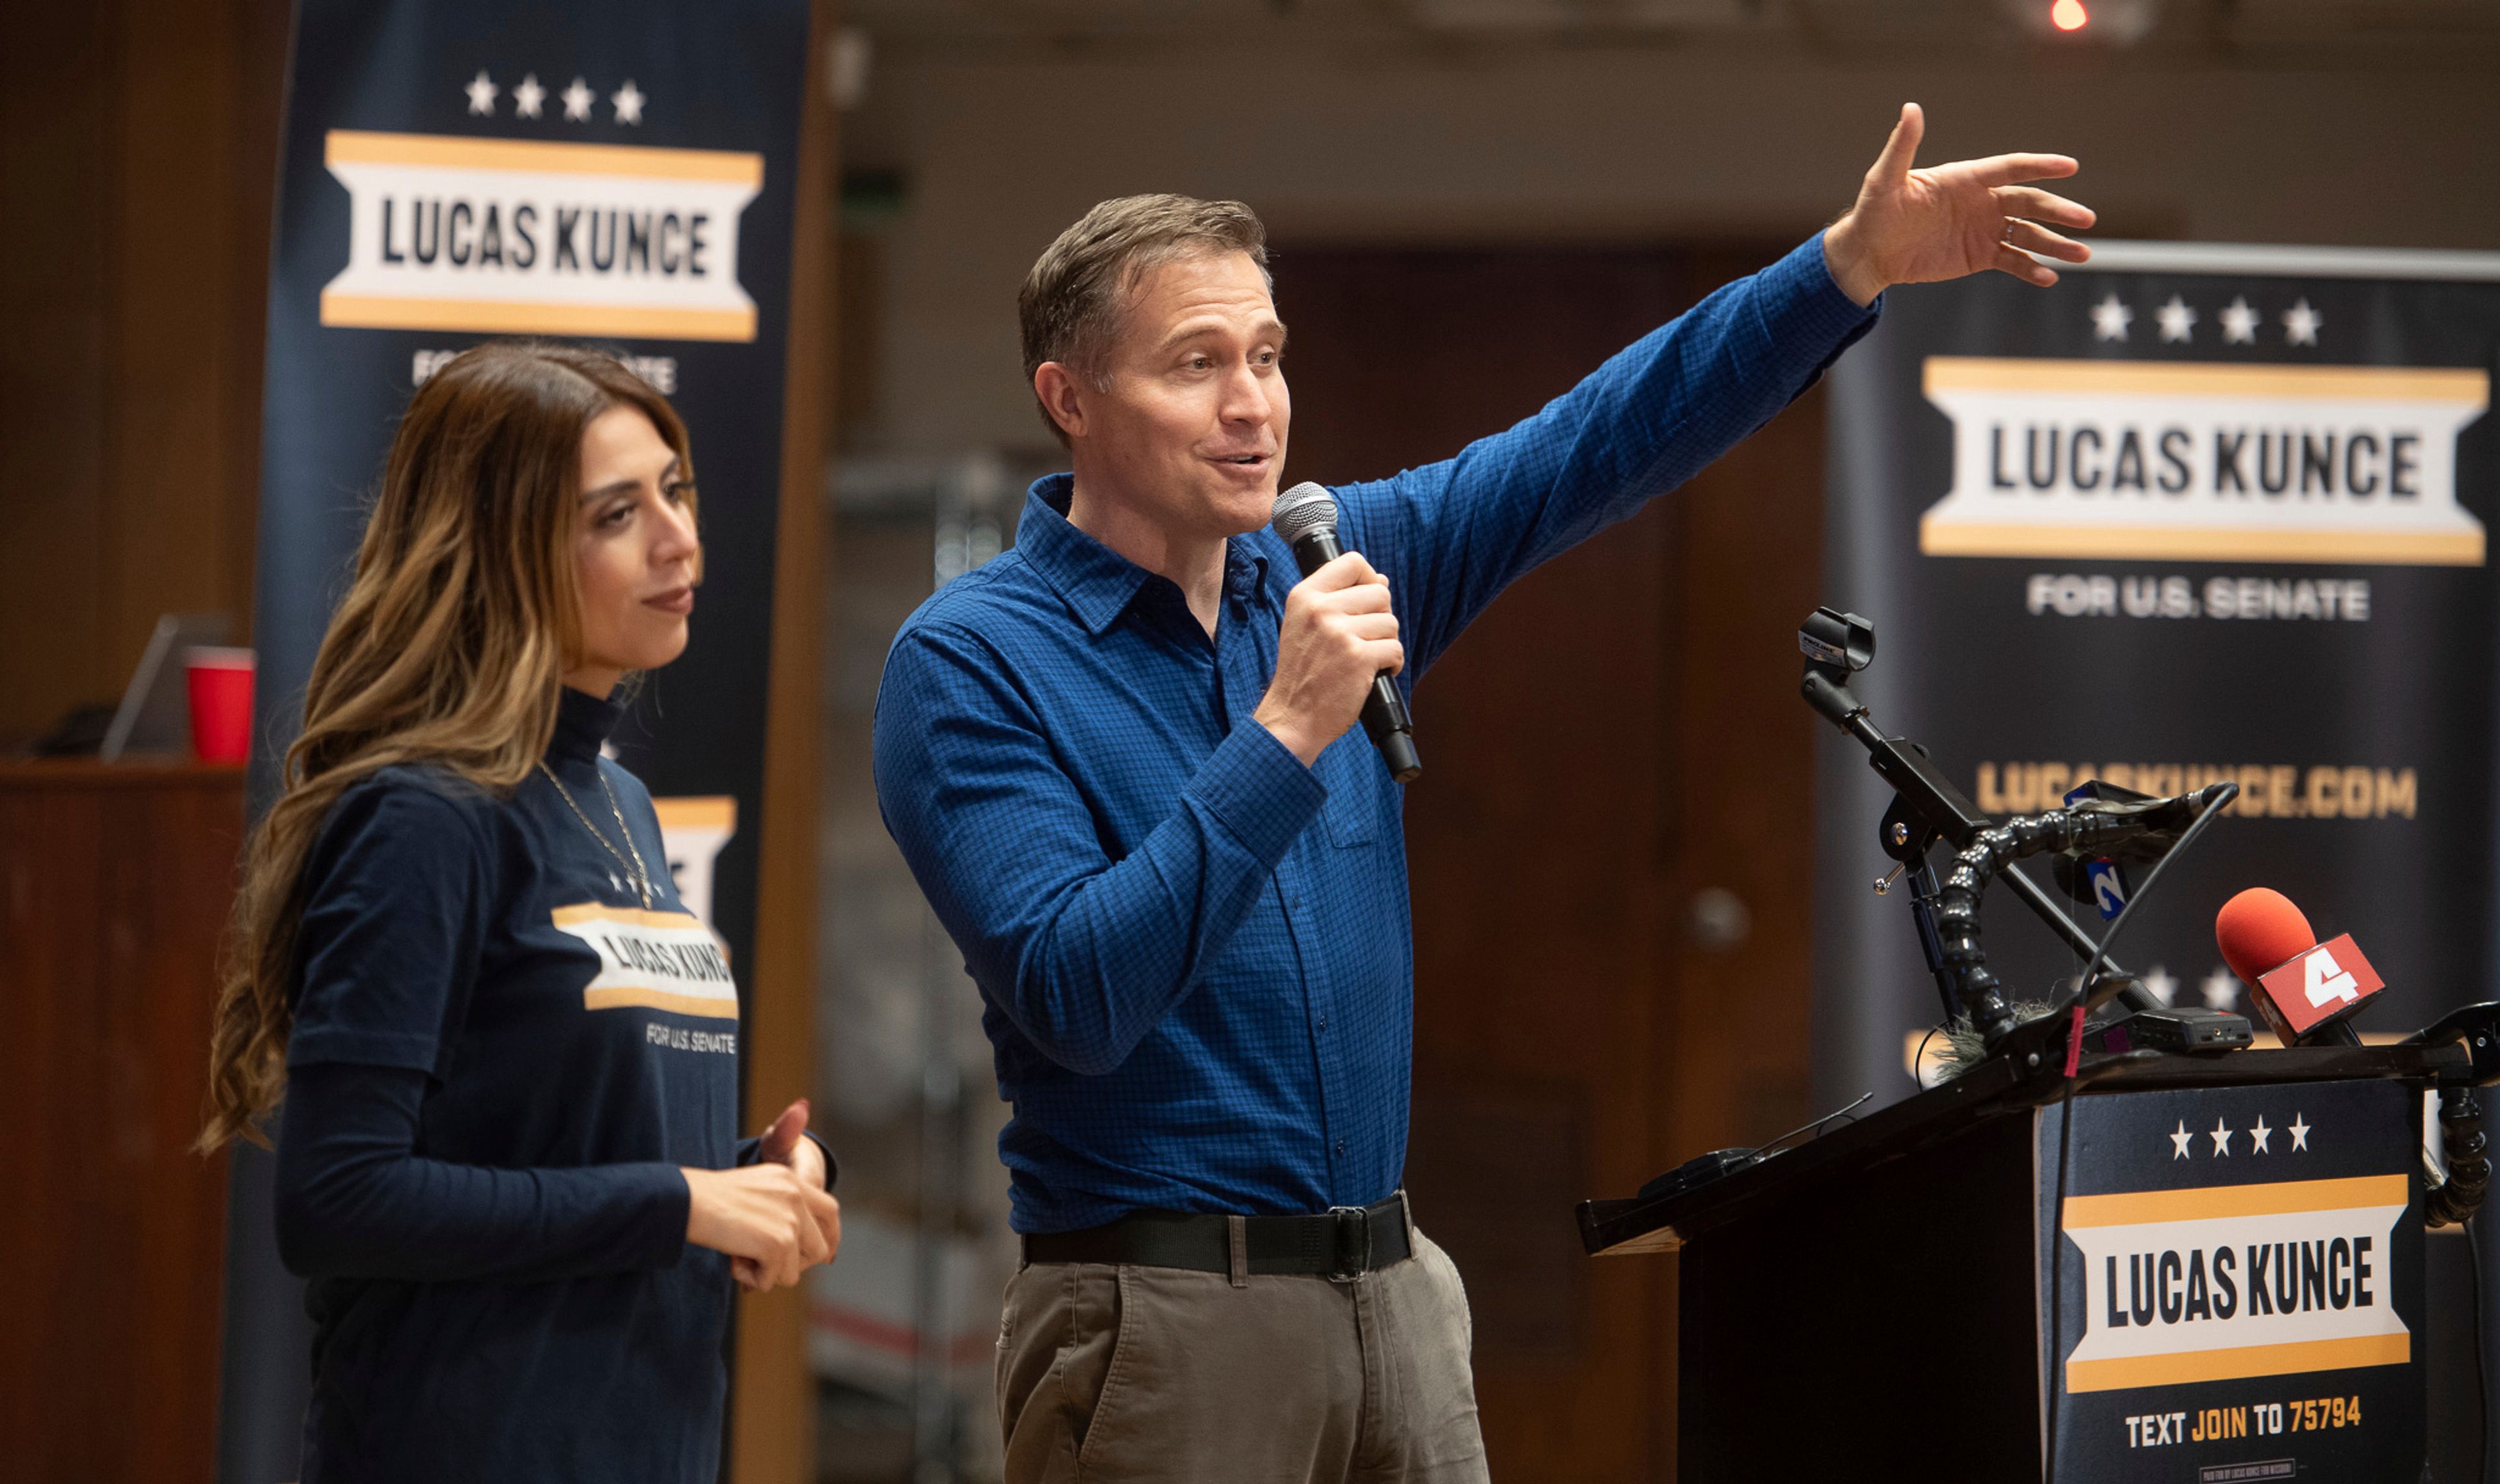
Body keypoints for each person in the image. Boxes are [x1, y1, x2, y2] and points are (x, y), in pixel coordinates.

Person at [872, 104, 2092, 1481]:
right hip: (1162, 1318)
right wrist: (1283, 735)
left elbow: (1596, 440)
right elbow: (1081, 998)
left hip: (1395, 1295)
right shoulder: (976, 660)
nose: (1252, 405)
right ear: (1070, 400)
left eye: (1268, 356)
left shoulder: (1331, 564)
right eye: (1196, 363)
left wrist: (1842, 270)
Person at [197, 341, 842, 1483]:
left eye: (674, 490)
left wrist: (747, 1182)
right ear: (502, 548)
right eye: (613, 514)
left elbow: (557, 1142)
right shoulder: (426, 818)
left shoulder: (624, 805)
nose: (678, 537)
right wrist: (678, 1201)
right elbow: (339, 1198)